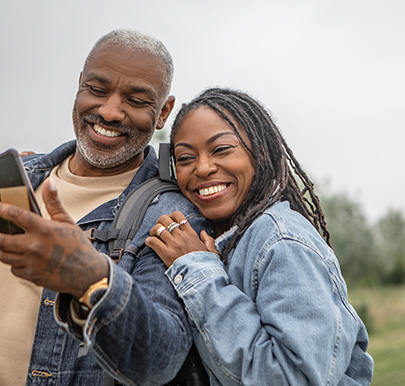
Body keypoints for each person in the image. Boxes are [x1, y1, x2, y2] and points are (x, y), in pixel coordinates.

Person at [0, 30, 209, 386]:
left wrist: (90, 276)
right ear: (80, 85)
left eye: (137, 99)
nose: (110, 111)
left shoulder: (172, 216)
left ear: (163, 113)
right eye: (97, 89)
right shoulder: (9, 179)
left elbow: (160, 361)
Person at [145, 87, 375, 385]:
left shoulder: (281, 241)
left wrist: (198, 272)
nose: (202, 167)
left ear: (261, 151)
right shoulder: (226, 241)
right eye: (186, 158)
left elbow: (293, 379)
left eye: (222, 149)